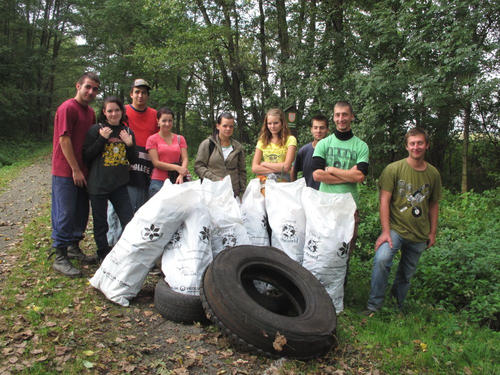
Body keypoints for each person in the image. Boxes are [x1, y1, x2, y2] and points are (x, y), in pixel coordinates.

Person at [365, 128, 441, 314]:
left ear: (427, 145)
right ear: (406, 146)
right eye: (413, 143)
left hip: (419, 233)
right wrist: (385, 231)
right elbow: (384, 200)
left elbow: (433, 204)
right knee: (382, 259)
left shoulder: (433, 174)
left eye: (420, 143)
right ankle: (373, 306)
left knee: (406, 273)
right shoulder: (394, 169)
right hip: (395, 229)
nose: (416, 147)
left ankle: (396, 306)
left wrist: (432, 232)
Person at [50, 72, 100, 277]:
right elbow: (64, 140)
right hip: (65, 171)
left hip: (83, 171)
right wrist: (75, 169)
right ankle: (60, 255)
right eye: (87, 87)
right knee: (65, 212)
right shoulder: (67, 108)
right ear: (78, 85)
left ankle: (73, 247)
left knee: (81, 211)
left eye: (95, 89)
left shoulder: (90, 113)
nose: (90, 92)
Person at [312, 101, 369, 256]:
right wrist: (348, 176)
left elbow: (360, 175)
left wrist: (331, 170)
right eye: (337, 115)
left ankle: (342, 281)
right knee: (323, 250)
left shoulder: (361, 146)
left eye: (345, 114)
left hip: (349, 208)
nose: (341, 118)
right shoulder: (323, 144)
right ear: (334, 117)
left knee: (344, 253)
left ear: (352, 117)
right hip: (325, 205)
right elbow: (317, 175)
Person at [83, 97, 136, 262]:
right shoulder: (96, 130)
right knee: (100, 223)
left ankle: (127, 252)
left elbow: (133, 160)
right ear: (104, 113)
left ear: (122, 112)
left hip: (119, 184)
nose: (114, 114)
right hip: (98, 184)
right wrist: (101, 139)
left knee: (129, 220)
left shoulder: (127, 132)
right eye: (110, 110)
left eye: (117, 110)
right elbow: (86, 156)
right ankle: (103, 253)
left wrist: (129, 144)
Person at [194, 112, 246, 197]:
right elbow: (198, 167)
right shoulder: (208, 144)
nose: (228, 129)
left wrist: (242, 193)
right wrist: (215, 179)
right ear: (218, 126)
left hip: (233, 193)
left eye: (231, 126)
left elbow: (242, 171)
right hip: (212, 191)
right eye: (225, 126)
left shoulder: (238, 147)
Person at [125, 78, 157, 211]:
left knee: (141, 207)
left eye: (144, 92)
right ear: (131, 94)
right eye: (137, 92)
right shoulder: (122, 111)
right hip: (125, 164)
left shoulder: (154, 115)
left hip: (145, 166)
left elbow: (159, 139)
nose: (140, 95)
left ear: (147, 96)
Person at [146, 107, 189, 198]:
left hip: (176, 180)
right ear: (158, 121)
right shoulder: (152, 139)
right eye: (164, 121)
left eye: (170, 121)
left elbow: (185, 158)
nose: (167, 123)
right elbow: (156, 163)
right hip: (158, 182)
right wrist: (177, 168)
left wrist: (181, 174)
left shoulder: (180, 139)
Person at [252, 108, 297, 182]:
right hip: (265, 180)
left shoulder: (290, 140)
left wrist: (264, 163)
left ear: (282, 123)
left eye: (276, 123)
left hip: (283, 180)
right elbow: (255, 168)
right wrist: (278, 168)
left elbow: (286, 167)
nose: (272, 126)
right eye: (269, 123)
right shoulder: (262, 141)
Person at [291, 114, 329, 189]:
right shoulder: (304, 151)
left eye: (322, 128)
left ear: (327, 130)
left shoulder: (333, 150)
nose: (318, 131)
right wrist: (295, 188)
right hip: (308, 194)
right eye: (315, 128)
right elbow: (293, 170)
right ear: (311, 130)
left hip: (327, 194)